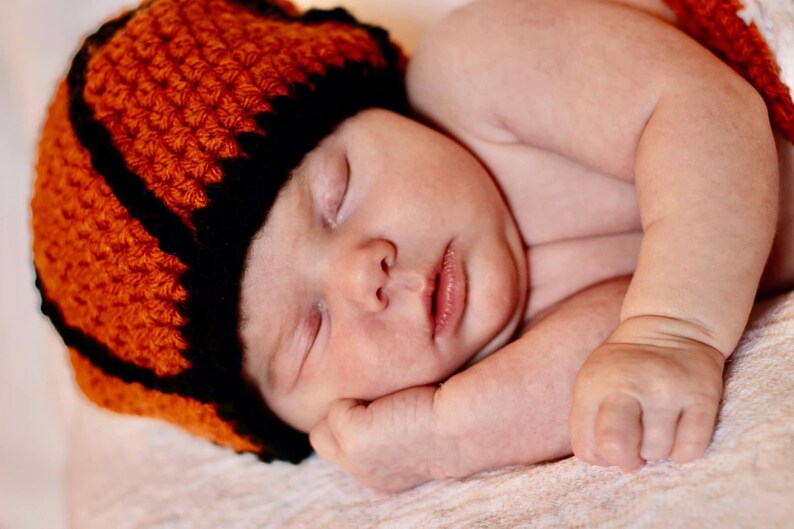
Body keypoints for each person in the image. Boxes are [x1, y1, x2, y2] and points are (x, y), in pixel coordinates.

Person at [31, 0, 794, 492]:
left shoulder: (474, 73)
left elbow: (703, 107)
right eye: (311, 328)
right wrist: (449, 434)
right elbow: (614, 370)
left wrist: (675, 327)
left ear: (370, 101)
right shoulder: (494, 343)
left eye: (336, 195)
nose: (366, 270)